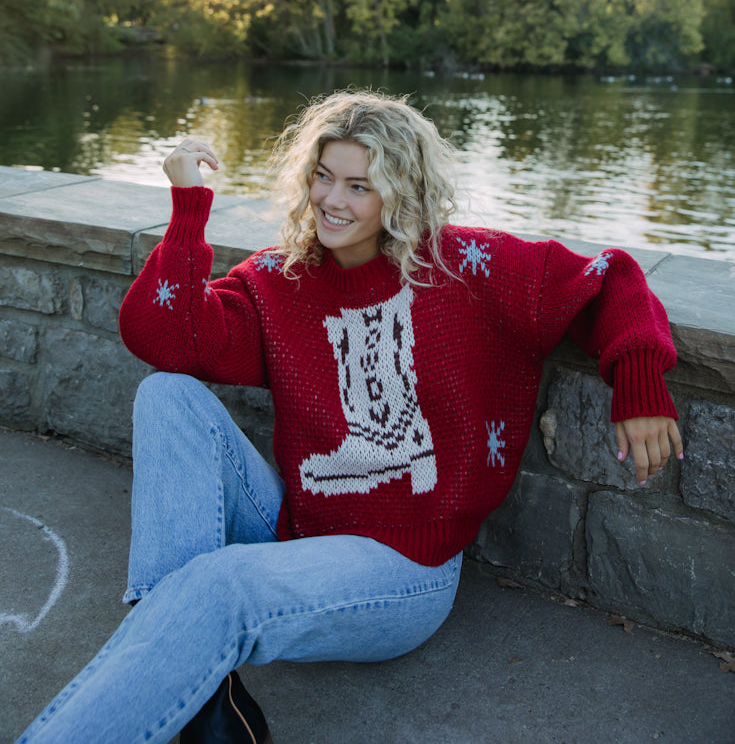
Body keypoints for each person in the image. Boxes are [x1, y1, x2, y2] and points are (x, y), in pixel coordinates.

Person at [18, 90, 683, 744]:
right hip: (302, 533)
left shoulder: (467, 268)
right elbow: (164, 338)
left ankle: (175, 655)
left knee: (219, 587)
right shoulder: (280, 279)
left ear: (401, 192)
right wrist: (189, 208)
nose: (332, 201)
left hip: (403, 573)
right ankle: (196, 684)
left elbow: (610, 276)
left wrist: (638, 382)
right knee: (165, 393)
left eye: (359, 187)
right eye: (323, 177)